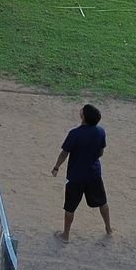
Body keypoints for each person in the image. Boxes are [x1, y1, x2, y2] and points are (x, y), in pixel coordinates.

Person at [51, 103, 112, 242]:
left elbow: (64, 153)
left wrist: (56, 167)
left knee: (70, 207)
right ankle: (108, 228)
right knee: (103, 202)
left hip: (76, 176)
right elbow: (100, 152)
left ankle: (65, 235)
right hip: (94, 174)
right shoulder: (101, 132)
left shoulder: (75, 134)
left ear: (83, 117)